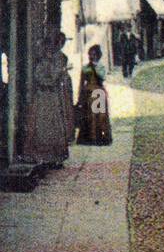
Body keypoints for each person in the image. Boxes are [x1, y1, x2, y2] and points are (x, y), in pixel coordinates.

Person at [21, 35, 70, 169]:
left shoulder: (56, 60)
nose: (47, 50)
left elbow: (55, 77)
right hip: (42, 97)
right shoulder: (40, 63)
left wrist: (56, 74)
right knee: (42, 125)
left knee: (53, 125)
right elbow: (40, 77)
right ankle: (43, 158)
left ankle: (54, 158)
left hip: (52, 96)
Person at [75, 45, 112, 146]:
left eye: (94, 55)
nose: (92, 57)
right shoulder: (85, 68)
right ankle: (90, 137)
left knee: (100, 115)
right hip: (88, 93)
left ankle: (101, 137)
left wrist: (95, 67)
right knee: (89, 115)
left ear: (98, 55)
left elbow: (102, 77)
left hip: (99, 92)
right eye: (90, 55)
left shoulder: (101, 66)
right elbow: (81, 83)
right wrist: (80, 96)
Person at [54, 32, 75, 151]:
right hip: (59, 84)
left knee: (66, 108)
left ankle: (67, 135)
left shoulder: (62, 56)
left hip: (65, 84)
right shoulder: (57, 56)